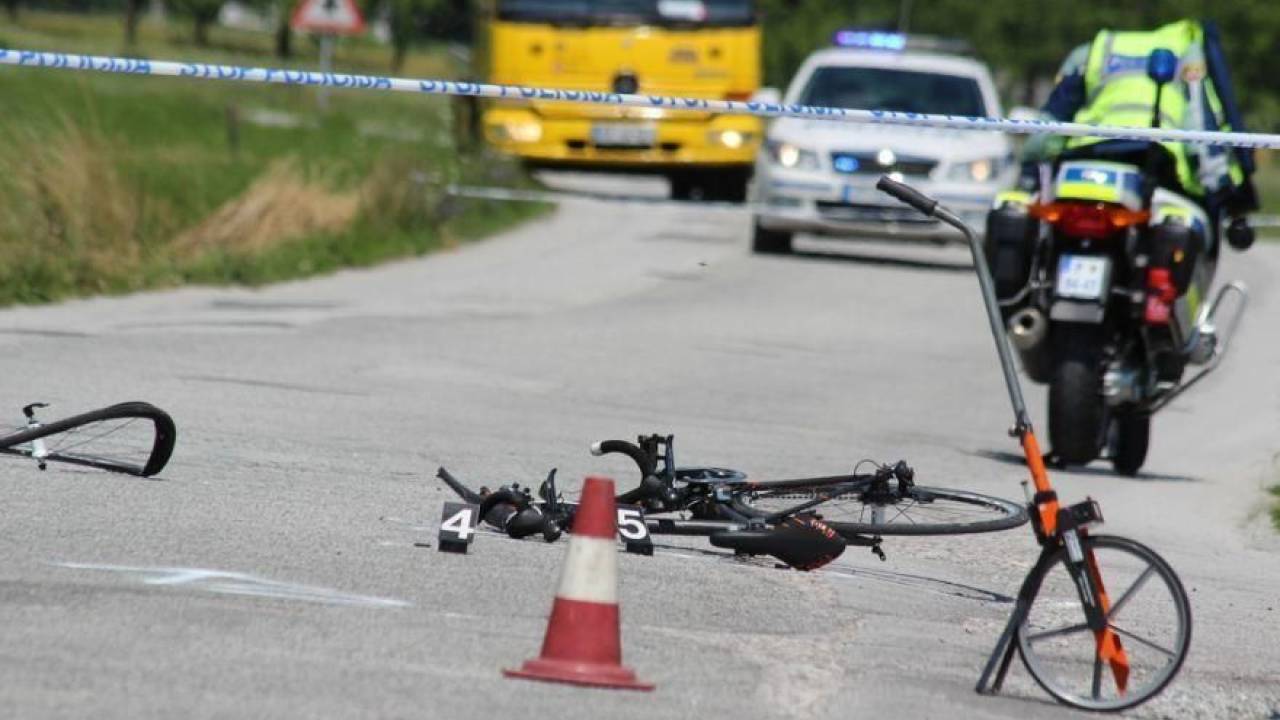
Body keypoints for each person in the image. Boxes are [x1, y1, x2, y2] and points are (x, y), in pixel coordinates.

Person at [1015, 19, 1259, 250]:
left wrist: (1027, 177)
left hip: (1086, 155)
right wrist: (1223, 192)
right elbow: (1200, 128)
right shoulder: (1189, 50)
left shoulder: (1097, 48)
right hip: (1160, 163)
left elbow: (1051, 124)